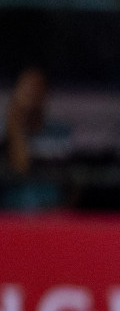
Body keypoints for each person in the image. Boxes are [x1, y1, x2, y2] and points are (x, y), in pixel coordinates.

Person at [1, 66, 69, 211]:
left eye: (37, 87)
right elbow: (21, 166)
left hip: (52, 211)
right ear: (15, 91)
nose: (31, 93)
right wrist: (14, 125)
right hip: (10, 211)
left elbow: (76, 180)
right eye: (26, 87)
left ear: (46, 93)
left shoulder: (60, 133)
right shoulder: (4, 131)